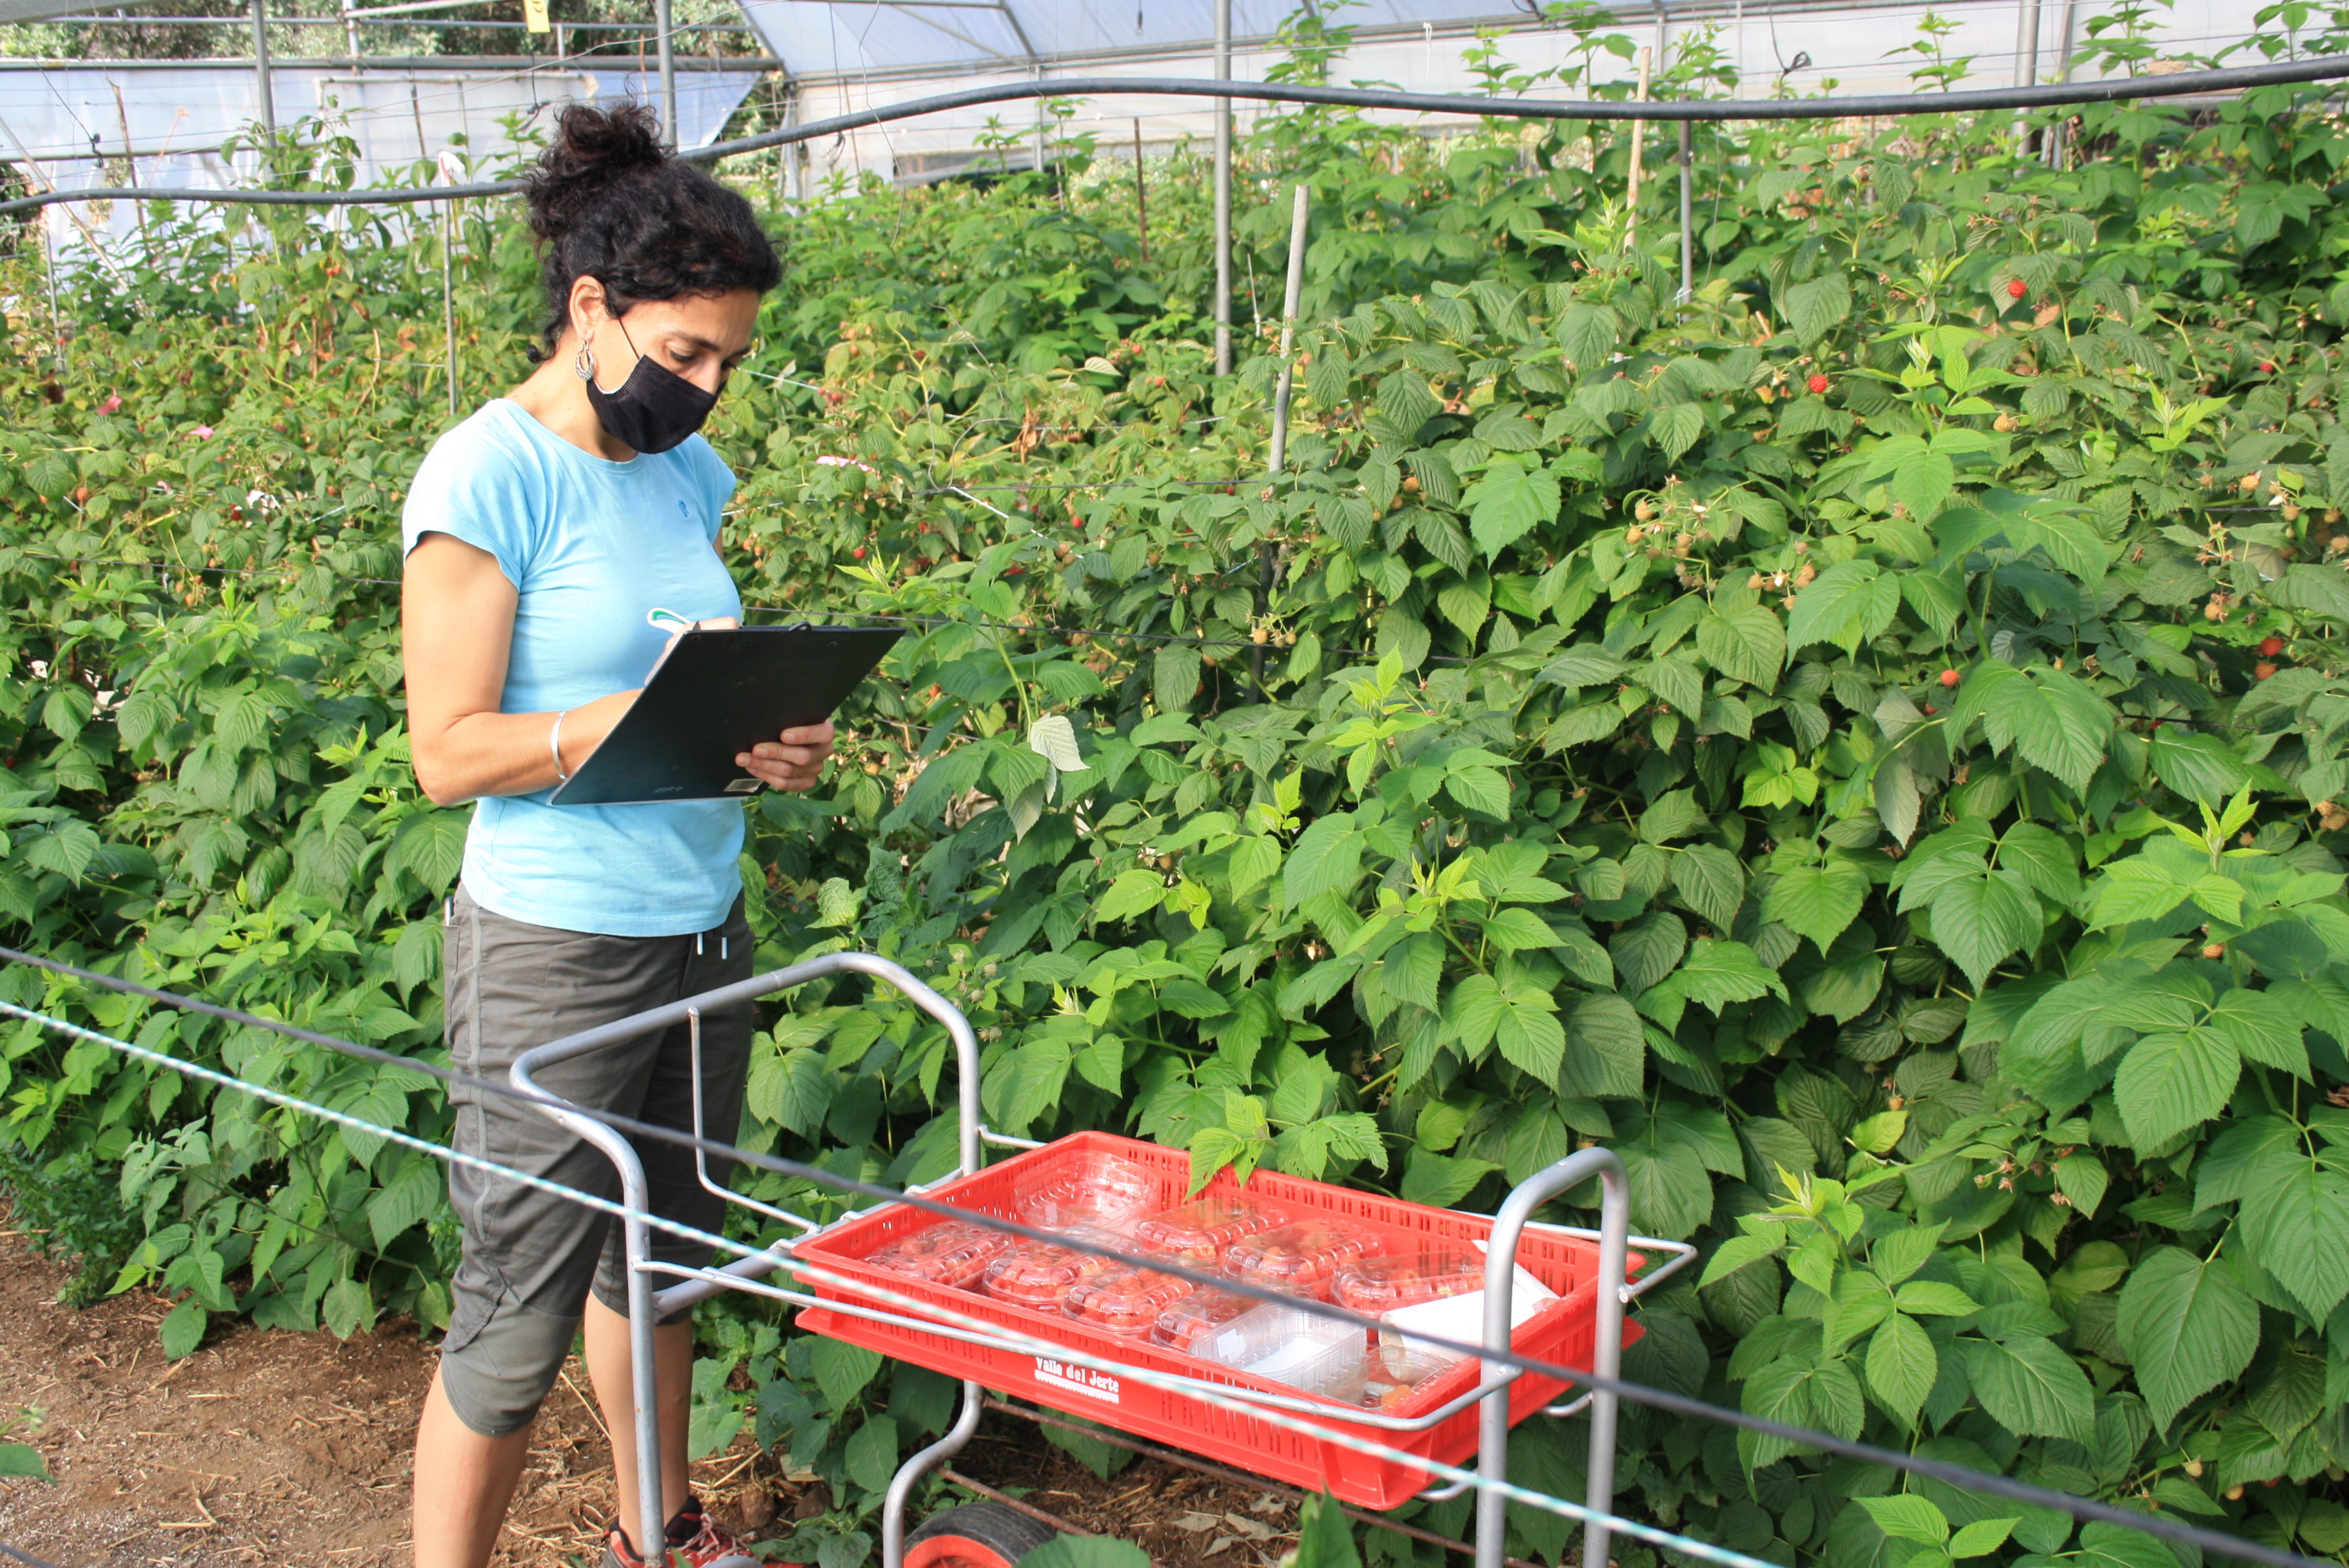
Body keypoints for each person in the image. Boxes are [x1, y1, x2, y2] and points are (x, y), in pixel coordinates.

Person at [400, 101, 828, 1568]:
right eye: (685, 351)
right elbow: (447, 755)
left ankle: (660, 1531)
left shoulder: (683, 469)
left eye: (729, 362)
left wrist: (759, 735)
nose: (706, 389)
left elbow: (683, 681)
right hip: (555, 948)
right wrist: (622, 714)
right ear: (592, 308)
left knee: (663, 1273)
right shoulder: (487, 476)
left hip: (698, 928)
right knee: (513, 1312)